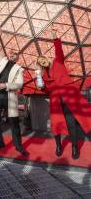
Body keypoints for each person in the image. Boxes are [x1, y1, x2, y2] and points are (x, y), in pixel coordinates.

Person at [35, 27, 91, 159]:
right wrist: (41, 85)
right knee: (57, 124)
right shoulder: (43, 76)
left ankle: (74, 147)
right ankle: (58, 146)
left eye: (43, 60)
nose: (43, 62)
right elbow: (47, 90)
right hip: (55, 101)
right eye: (40, 62)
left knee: (71, 123)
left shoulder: (57, 62)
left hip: (68, 96)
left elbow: (58, 50)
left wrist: (55, 37)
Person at [0, 30, 27, 156]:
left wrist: (6, 85)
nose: (12, 55)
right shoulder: (2, 61)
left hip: (9, 97)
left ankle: (19, 146)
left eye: (15, 54)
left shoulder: (19, 69)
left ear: (17, 57)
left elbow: (19, 84)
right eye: (11, 53)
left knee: (14, 123)